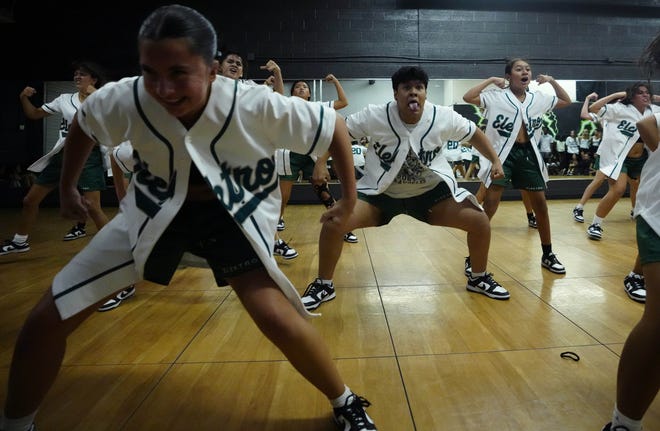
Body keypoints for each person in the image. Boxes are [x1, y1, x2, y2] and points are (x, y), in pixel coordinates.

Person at [0, 5, 377, 431]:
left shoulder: (253, 102)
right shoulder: (129, 95)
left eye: (179, 73)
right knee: (44, 321)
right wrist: (67, 184)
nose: (162, 87)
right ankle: (16, 423)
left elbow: (334, 127)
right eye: (150, 72)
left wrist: (347, 199)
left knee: (276, 316)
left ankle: (344, 401)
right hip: (151, 213)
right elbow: (87, 124)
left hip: (230, 215)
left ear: (213, 69)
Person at [301, 65, 509, 311]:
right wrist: (322, 162)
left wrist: (495, 160)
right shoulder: (375, 114)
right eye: (406, 88)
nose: (413, 92)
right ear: (395, 93)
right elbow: (340, 133)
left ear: (425, 93)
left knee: (480, 221)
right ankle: (324, 284)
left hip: (430, 196)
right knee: (334, 222)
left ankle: (478, 278)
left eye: (419, 88)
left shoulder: (442, 116)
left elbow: (474, 133)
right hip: (380, 194)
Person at [601, 31, 660, 431]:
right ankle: (625, 422)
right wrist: (613, 99)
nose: (642, 94)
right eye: (636, 91)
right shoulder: (636, 113)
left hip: (638, 166)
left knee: (623, 189)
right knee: (616, 188)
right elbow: (589, 110)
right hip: (624, 161)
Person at [463, 57, 571, 275]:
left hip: (528, 154)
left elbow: (566, 100)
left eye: (528, 69)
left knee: (540, 204)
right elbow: (468, 97)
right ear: (508, 76)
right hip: (503, 154)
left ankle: (547, 254)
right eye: (519, 69)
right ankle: (472, 256)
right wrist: (491, 80)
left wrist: (551, 80)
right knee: (491, 204)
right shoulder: (496, 96)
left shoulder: (537, 98)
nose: (525, 72)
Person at [0, 61, 110, 256]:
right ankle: (20, 242)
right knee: (29, 200)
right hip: (63, 155)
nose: (77, 77)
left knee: (93, 206)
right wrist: (23, 97)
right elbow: (33, 114)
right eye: (75, 74)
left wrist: (94, 94)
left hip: (89, 155)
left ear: (93, 78)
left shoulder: (102, 99)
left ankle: (116, 251)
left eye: (82, 74)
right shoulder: (64, 99)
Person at [216, 50, 299, 258]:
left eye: (239, 63)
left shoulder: (249, 87)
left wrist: (278, 74)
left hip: (247, 157)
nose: (235, 65)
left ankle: (272, 241)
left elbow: (279, 100)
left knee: (262, 202)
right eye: (230, 61)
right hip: (217, 156)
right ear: (219, 67)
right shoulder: (210, 87)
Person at [276, 76, 359, 245]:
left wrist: (336, 81)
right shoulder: (286, 105)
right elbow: (276, 96)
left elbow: (343, 102)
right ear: (291, 93)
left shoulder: (317, 106)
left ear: (309, 94)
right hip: (289, 154)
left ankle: (341, 225)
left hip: (311, 153)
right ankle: (276, 224)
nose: (301, 88)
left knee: (324, 192)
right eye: (297, 86)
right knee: (283, 196)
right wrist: (277, 74)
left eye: (304, 87)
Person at [585, 82, 660, 241]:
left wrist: (652, 97)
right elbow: (593, 109)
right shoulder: (619, 109)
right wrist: (616, 95)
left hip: (642, 159)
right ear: (632, 97)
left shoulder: (653, 110)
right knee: (618, 189)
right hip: (620, 158)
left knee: (641, 189)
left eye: (647, 92)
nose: (645, 95)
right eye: (640, 93)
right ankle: (596, 224)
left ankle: (637, 213)